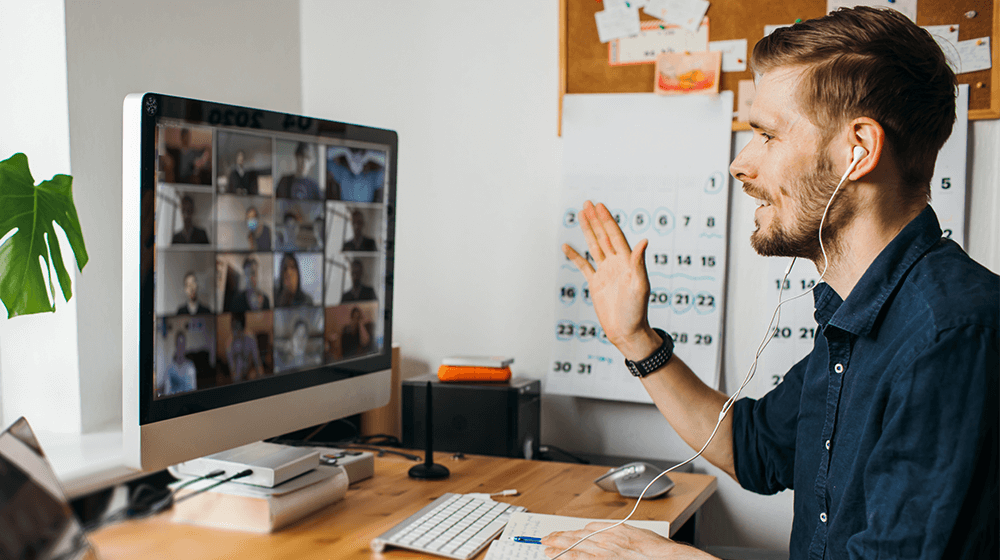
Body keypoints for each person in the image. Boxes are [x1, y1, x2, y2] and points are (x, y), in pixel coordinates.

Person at [545, 7, 998, 560]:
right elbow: (756, 449)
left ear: (859, 149)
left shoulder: (951, 334)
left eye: (765, 134)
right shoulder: (856, 311)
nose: (740, 164)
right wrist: (634, 338)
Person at [226, 312, 263, 383]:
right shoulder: (229, 345)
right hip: (238, 377)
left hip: (251, 374)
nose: (237, 332)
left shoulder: (251, 338)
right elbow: (233, 374)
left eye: (239, 328)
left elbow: (258, 363)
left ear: (244, 328)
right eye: (235, 328)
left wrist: (260, 378)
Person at [162, 331, 196, 396]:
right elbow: (167, 391)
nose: (181, 347)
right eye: (179, 344)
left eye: (182, 344)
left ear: (185, 346)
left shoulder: (190, 367)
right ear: (176, 345)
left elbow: (193, 390)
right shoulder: (169, 368)